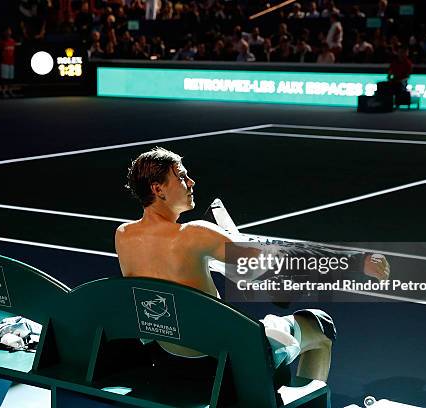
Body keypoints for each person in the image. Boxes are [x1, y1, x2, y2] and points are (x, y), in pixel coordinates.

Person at [115, 148, 390, 381]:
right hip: (220, 365)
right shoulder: (196, 235)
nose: (192, 182)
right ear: (158, 188)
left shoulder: (124, 236)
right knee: (320, 327)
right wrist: (356, 262)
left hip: (167, 362)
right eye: (182, 176)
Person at [0, 27, 16, 98]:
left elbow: (13, 52)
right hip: (4, 63)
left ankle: (10, 91)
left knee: (10, 78)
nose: (9, 32)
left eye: (10, 31)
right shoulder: (2, 42)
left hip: (11, 63)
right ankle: (3, 92)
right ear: (5, 33)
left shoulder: (13, 41)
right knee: (4, 79)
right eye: (7, 31)